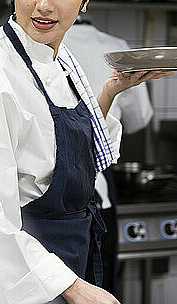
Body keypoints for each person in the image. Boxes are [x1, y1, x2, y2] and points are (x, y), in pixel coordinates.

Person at [0, 0, 171, 304]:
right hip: (18, 279)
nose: (44, 4)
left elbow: (65, 155)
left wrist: (111, 90)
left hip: (69, 258)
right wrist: (72, 288)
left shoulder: (59, 58)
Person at [66, 19, 155, 295]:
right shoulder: (117, 49)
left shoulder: (38, 47)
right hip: (94, 187)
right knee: (98, 288)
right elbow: (140, 119)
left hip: (52, 197)